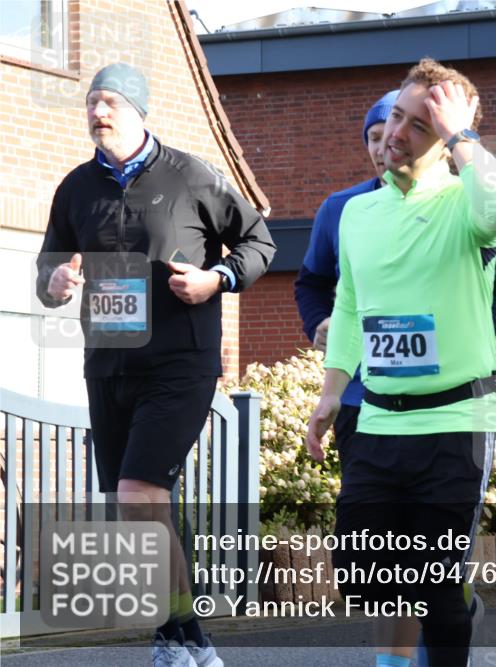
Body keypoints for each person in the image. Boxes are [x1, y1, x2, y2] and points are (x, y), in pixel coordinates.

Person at [35, 63, 276, 667]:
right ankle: (180, 640)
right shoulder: (76, 188)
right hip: (107, 366)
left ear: (139, 111)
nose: (98, 113)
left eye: (111, 102)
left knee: (139, 494)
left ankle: (185, 642)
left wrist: (216, 279)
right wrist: (55, 282)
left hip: (179, 364)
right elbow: (48, 267)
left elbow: (260, 242)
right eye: (92, 102)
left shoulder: (190, 175)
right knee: (139, 509)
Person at [294, 89, 496, 667]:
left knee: (436, 581)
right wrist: (330, 392)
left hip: (455, 420)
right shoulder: (355, 212)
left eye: (419, 125)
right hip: (376, 417)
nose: (395, 134)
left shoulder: (465, 204)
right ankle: (449, 602)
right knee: (361, 571)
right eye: (395, 117)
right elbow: (349, 305)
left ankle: (447, 605)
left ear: (445, 138)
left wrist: (461, 134)